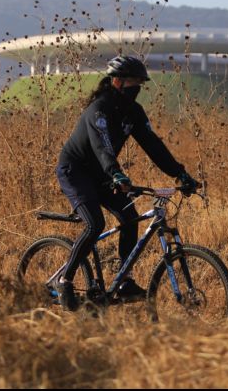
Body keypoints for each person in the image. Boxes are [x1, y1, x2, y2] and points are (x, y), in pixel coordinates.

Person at [53, 55, 199, 311]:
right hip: (75, 171)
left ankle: (124, 281)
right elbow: (103, 147)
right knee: (95, 223)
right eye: (135, 83)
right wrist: (116, 173)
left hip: (102, 175)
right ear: (118, 82)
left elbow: (154, 146)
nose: (138, 89)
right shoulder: (98, 109)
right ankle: (65, 280)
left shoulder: (134, 112)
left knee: (130, 218)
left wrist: (179, 173)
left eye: (141, 84)